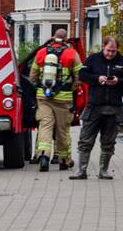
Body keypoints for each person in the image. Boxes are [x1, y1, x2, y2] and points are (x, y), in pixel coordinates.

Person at [71, 36, 123, 180]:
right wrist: (97, 78)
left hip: (114, 108)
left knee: (108, 142)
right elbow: (82, 75)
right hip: (94, 107)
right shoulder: (93, 59)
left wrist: (119, 81)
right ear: (103, 47)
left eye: (113, 51)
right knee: (85, 140)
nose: (110, 54)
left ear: (117, 49)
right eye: (108, 50)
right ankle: (81, 171)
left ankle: (103, 171)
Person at [28, 29, 82, 172]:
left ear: (53, 37)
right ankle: (64, 160)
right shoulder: (72, 54)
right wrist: (71, 88)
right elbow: (80, 77)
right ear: (66, 39)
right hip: (64, 98)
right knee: (62, 130)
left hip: (44, 97)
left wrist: (39, 88)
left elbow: (32, 77)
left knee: (45, 126)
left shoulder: (41, 53)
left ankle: (44, 156)